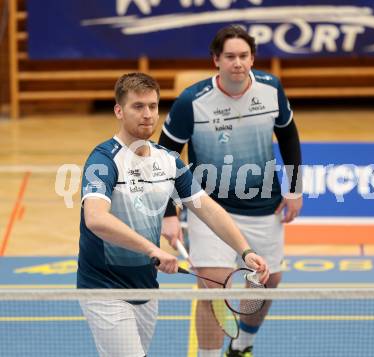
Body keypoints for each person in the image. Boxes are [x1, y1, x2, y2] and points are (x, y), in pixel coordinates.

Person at [77, 72, 269, 357]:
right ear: (119, 110)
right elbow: (96, 219)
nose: (147, 115)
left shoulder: (167, 161)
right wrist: (152, 249)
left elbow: (208, 209)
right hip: (104, 288)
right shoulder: (104, 160)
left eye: (153, 106)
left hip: (146, 287)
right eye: (137, 106)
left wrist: (245, 250)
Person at [158, 25, 302, 357]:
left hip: (264, 205)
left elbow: (289, 136)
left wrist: (294, 189)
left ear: (252, 58)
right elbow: (163, 158)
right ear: (216, 61)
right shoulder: (192, 102)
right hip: (210, 208)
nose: (237, 63)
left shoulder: (271, 89)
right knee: (213, 289)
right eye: (230, 57)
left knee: (266, 283)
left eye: (243, 56)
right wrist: (168, 212)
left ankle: (242, 344)